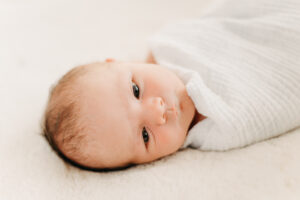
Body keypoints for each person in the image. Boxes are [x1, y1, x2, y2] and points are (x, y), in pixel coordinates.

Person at [43, 0, 300, 171]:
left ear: (119, 62)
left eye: (135, 91)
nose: (157, 111)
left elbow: (226, 19)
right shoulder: (218, 126)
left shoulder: (171, 44)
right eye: (145, 136)